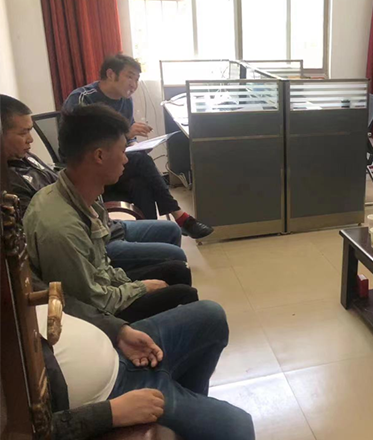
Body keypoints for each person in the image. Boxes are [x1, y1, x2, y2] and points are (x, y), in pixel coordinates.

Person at [37, 283, 255, 440]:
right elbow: (31, 437)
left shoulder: (20, 279)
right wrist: (109, 413)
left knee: (211, 315)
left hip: (116, 346)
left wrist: (118, 331)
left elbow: (65, 302)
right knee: (238, 434)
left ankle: (187, 425)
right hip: (109, 396)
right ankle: (188, 434)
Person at [24, 105, 198, 322]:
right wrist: (140, 288)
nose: (126, 160)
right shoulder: (61, 229)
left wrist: (132, 284)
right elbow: (92, 302)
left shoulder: (82, 191)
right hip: (95, 315)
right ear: (99, 155)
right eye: (123, 151)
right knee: (190, 299)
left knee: (177, 271)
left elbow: (102, 268)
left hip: (101, 286)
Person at [0, 94, 187, 272]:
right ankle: (173, 228)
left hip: (100, 223)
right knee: (175, 257)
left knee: (162, 216)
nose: (31, 139)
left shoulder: (25, 158)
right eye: (23, 133)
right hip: (90, 239)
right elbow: (44, 239)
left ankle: (162, 274)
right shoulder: (9, 186)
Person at [63, 54, 213, 239]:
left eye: (137, 79)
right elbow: (80, 142)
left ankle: (151, 238)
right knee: (142, 162)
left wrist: (135, 145)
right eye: (130, 77)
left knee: (141, 184)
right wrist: (126, 135)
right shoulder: (82, 98)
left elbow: (127, 139)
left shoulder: (125, 101)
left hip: (115, 165)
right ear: (111, 74)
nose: (134, 84)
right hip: (88, 167)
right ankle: (180, 217)